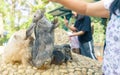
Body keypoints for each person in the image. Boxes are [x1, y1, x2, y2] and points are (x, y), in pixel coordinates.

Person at [49, 0, 120, 75]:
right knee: (85, 55)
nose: (73, 13)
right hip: (107, 68)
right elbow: (75, 29)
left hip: (87, 40)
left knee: (90, 55)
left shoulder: (86, 18)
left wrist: (71, 35)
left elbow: (83, 32)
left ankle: (97, 67)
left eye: (74, 11)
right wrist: (67, 25)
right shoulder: (78, 19)